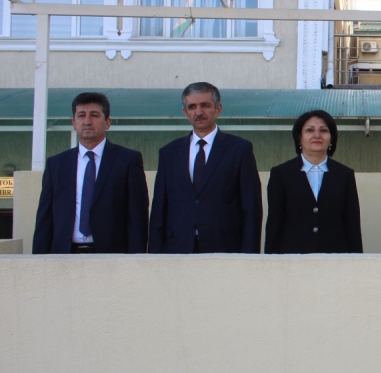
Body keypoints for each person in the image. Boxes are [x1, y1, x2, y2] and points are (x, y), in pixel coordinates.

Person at [148, 82, 262, 253]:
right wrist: (154, 256)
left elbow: (251, 208)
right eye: (192, 107)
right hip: (177, 248)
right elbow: (159, 210)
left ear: (218, 109)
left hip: (225, 248)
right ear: (185, 112)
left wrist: (249, 256)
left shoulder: (239, 149)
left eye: (205, 105)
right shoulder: (169, 153)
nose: (199, 112)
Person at [33, 92, 148, 254]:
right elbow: (45, 218)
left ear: (107, 122)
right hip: (64, 255)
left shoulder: (127, 161)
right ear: (74, 122)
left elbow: (137, 217)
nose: (87, 121)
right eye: (81, 115)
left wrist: (136, 259)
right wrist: (39, 259)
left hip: (111, 256)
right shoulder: (57, 164)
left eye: (94, 115)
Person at [265, 110, 363, 254]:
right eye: (310, 130)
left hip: (336, 259)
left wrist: (356, 260)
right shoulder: (281, 174)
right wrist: (270, 261)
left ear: (331, 138)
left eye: (323, 130)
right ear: (299, 138)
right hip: (292, 258)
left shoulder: (345, 175)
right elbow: (275, 224)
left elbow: (352, 225)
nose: (317, 135)